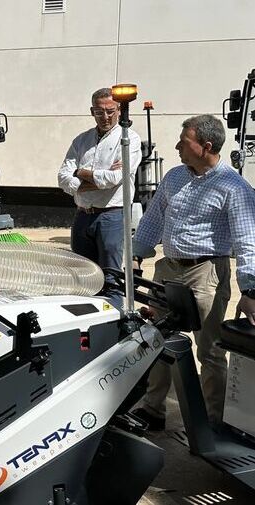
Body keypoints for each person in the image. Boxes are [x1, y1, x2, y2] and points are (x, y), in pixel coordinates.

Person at [131, 114, 255, 429]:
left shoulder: (234, 188)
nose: (176, 147)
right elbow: (153, 220)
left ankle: (216, 423)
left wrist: (251, 291)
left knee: (210, 351)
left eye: (184, 142)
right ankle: (153, 409)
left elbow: (247, 241)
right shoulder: (174, 177)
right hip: (168, 269)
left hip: (206, 273)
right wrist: (136, 255)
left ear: (206, 146)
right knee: (158, 339)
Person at [57, 87, 141, 296]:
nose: (105, 117)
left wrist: (80, 174)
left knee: (111, 277)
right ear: (92, 111)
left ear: (120, 110)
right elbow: (63, 178)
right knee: (83, 276)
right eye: (99, 111)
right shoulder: (81, 141)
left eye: (110, 111)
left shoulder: (129, 139)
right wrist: (93, 177)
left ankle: (114, 320)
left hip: (112, 215)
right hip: (83, 215)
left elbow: (115, 178)